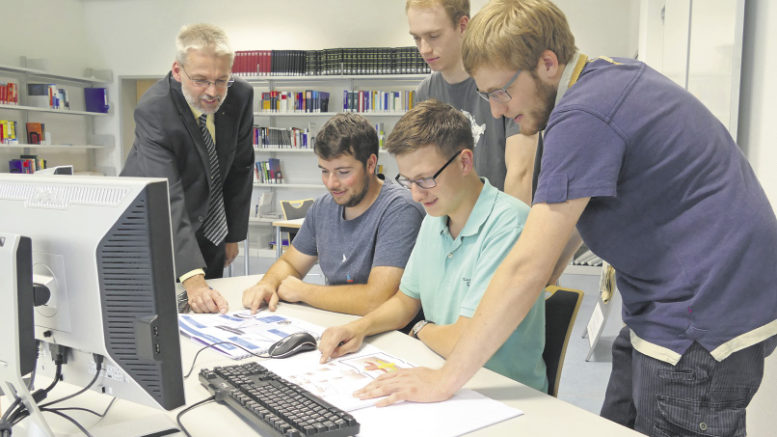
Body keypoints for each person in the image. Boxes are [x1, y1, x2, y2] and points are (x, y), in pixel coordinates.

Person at [355, 1, 777, 435]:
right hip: (673, 298)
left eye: (500, 92)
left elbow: (527, 267)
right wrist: (548, 270)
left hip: (701, 312)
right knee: (619, 422)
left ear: (548, 64)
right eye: (487, 96)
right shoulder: (607, 77)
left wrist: (446, 379)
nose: (497, 111)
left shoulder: (581, 116)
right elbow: (578, 213)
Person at [318, 100, 547, 392]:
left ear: (465, 161)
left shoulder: (509, 224)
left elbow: (465, 340)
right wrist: (358, 328)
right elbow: (405, 301)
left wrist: (419, 328)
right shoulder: (435, 218)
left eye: (425, 179)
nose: (415, 195)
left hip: (499, 392)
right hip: (442, 373)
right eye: (408, 181)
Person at [121, 23, 254, 314]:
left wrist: (231, 235)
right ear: (178, 71)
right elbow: (167, 196)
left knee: (207, 317)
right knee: (158, 319)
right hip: (151, 229)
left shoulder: (240, 96)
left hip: (209, 227)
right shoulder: (155, 110)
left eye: (222, 80)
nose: (212, 92)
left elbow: (240, 167)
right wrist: (192, 277)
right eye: (201, 80)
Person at [242, 113, 425, 316]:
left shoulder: (400, 209)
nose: (331, 183)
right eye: (324, 171)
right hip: (335, 324)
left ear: (371, 164)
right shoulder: (323, 207)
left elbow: (376, 300)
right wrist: (267, 283)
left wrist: (304, 291)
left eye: (343, 172)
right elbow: (290, 263)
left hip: (388, 336)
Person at [406, 0, 538, 204]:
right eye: (416, 38)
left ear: (463, 26)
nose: (424, 49)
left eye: (434, 36)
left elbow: (521, 173)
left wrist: (506, 231)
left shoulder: (504, 81)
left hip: (502, 219)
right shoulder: (426, 92)